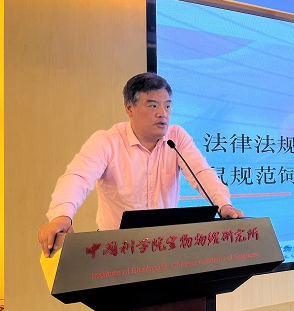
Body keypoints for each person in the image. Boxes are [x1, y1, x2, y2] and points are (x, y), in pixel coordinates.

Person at [38, 72, 244, 257]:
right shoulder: (107, 141)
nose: (163, 113)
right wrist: (62, 215)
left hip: (165, 247)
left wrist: (223, 204)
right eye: (153, 105)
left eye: (167, 106)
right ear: (129, 108)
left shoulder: (176, 138)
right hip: (117, 251)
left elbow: (201, 172)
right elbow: (78, 177)